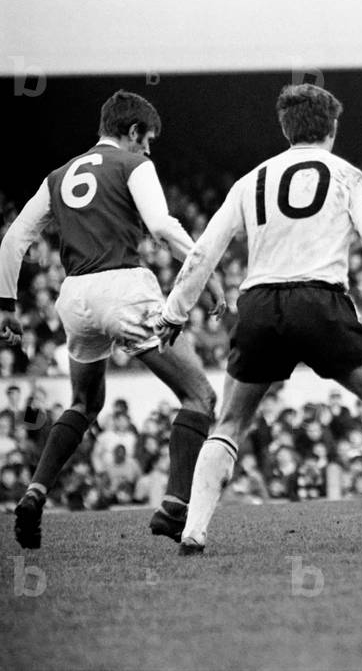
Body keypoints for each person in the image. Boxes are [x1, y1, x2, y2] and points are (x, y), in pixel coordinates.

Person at [154, 84, 362, 554]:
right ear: (332, 127)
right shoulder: (351, 177)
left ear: (285, 129)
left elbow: (204, 251)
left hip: (257, 307)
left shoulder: (250, 181)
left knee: (229, 422)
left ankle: (193, 530)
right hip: (319, 302)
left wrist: (174, 311)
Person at [0, 91, 221, 549]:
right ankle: (174, 507)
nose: (149, 150)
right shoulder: (132, 164)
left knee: (83, 404)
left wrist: (6, 307)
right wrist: (204, 269)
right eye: (148, 140)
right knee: (199, 395)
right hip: (124, 288)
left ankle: (35, 493)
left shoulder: (58, 175)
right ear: (134, 131)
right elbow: (160, 226)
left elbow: (14, 239)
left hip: (75, 296)